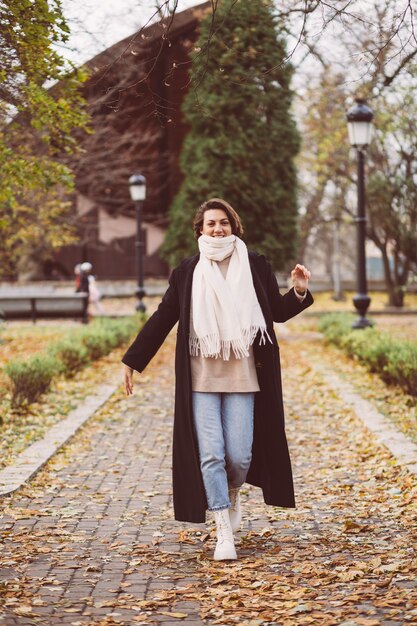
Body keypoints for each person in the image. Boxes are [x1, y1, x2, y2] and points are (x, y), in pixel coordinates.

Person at [122, 198, 313, 561]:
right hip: (201, 378)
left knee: (239, 457)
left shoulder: (254, 265)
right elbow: (163, 317)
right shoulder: (187, 272)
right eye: (210, 224)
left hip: (244, 375)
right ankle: (222, 527)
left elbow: (276, 313)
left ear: (233, 226)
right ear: (200, 229)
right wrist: (132, 360)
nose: (217, 229)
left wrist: (299, 291)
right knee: (211, 454)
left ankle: (233, 493)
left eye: (223, 223)